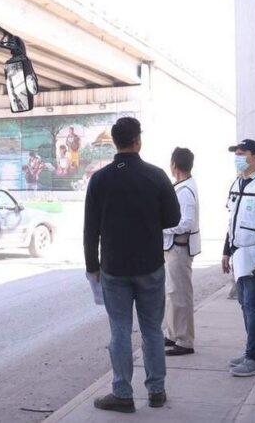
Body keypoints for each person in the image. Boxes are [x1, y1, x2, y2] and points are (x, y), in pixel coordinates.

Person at [84, 117, 180, 413]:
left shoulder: (99, 179)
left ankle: (123, 394)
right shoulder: (156, 175)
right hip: (150, 265)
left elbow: (91, 229)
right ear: (138, 140)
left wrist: (92, 265)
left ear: (115, 142)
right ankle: (157, 391)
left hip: (114, 268)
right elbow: (173, 219)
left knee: (120, 331)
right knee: (152, 330)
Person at [222, 139, 255, 377]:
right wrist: (226, 252)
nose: (238, 157)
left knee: (252, 306)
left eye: (242, 153)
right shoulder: (238, 182)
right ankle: (253, 351)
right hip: (239, 254)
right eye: (236, 154)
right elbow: (232, 220)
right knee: (244, 304)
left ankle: (254, 358)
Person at [163, 147, 200, 357]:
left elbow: (185, 222)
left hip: (179, 247)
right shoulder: (183, 186)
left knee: (180, 295)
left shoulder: (185, 190)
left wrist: (162, 227)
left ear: (174, 165)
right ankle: (173, 333)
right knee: (173, 293)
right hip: (174, 247)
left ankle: (185, 341)